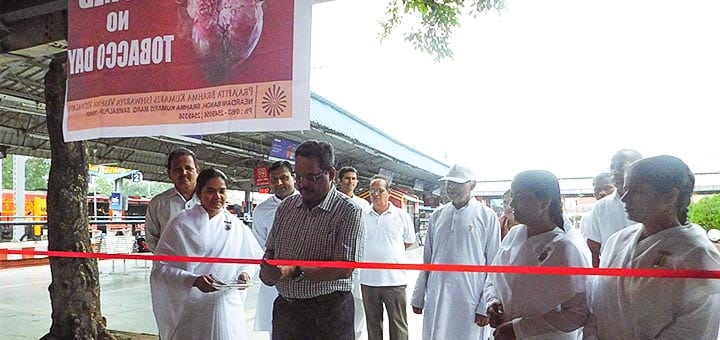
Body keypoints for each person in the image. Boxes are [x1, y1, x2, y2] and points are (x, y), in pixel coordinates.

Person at [585, 155, 720, 339]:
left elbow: (692, 329)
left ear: (670, 196)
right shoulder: (617, 241)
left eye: (638, 191)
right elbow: (597, 304)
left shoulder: (697, 255)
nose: (624, 198)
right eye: (625, 189)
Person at [259, 140, 365, 340]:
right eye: (298, 177)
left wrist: (295, 270)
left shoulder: (348, 211)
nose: (302, 184)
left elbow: (344, 267)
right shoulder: (287, 207)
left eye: (311, 177)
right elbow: (271, 249)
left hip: (328, 315)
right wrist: (267, 269)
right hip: (286, 312)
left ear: (331, 174)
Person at [150, 168, 263, 340]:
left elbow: (251, 258)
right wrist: (193, 280)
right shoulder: (181, 223)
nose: (217, 197)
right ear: (199, 192)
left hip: (227, 305)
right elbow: (161, 269)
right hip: (192, 308)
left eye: (222, 191)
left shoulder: (235, 225)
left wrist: (244, 274)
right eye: (210, 191)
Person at [483, 170, 591, 340]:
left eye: (519, 197)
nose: (512, 204)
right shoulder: (514, 235)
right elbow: (493, 278)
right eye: (512, 197)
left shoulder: (566, 247)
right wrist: (492, 302)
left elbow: (578, 314)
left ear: (545, 202)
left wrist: (519, 329)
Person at [410, 164, 501, 340]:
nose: (451, 188)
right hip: (438, 293)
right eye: (449, 183)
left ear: (472, 185)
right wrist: (418, 296)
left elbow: (494, 264)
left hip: (470, 297)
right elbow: (427, 259)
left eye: (458, 184)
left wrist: (485, 305)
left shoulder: (487, 216)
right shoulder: (438, 215)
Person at [360, 175, 416, 340]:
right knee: (373, 325)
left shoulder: (401, 216)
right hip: (369, 281)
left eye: (380, 190)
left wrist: (390, 255)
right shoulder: (363, 215)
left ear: (389, 192)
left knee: (398, 325)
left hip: (395, 281)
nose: (376, 194)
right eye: (372, 191)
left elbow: (408, 242)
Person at [251, 160, 298, 334]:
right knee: (277, 327)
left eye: (284, 178)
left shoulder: (308, 202)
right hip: (275, 279)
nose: (279, 183)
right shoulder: (262, 211)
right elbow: (258, 245)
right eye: (274, 179)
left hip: (305, 277)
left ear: (293, 177)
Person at [583, 149, 642, 267]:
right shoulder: (601, 207)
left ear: (640, 168)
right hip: (610, 277)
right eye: (612, 167)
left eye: (621, 166)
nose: (615, 171)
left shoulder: (652, 203)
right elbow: (593, 250)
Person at [337, 165, 370, 340]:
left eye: (353, 179)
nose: (351, 182)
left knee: (359, 306)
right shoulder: (332, 202)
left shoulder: (364, 205)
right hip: (339, 261)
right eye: (347, 178)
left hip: (360, 262)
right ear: (339, 181)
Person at [145, 147, 200, 251]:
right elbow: (152, 239)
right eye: (178, 169)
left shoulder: (209, 201)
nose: (184, 173)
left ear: (197, 171)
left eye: (188, 168)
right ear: (170, 173)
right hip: (168, 265)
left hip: (204, 266)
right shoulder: (158, 203)